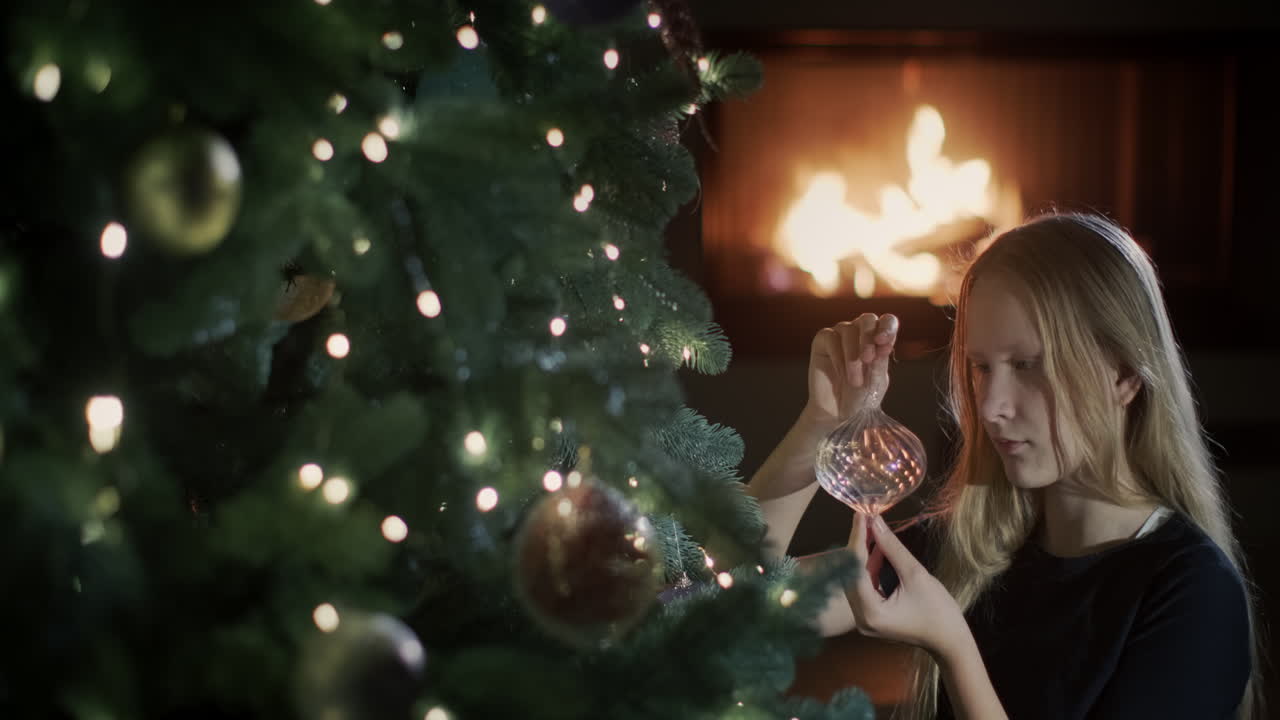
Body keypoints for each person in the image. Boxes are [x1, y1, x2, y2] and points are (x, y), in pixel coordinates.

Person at [747, 213, 1264, 719]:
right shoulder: (975, 549)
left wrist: (954, 648)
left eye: (1027, 365)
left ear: (1124, 377)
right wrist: (821, 422)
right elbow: (735, 603)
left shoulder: (1194, 595)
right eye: (980, 367)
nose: (991, 405)